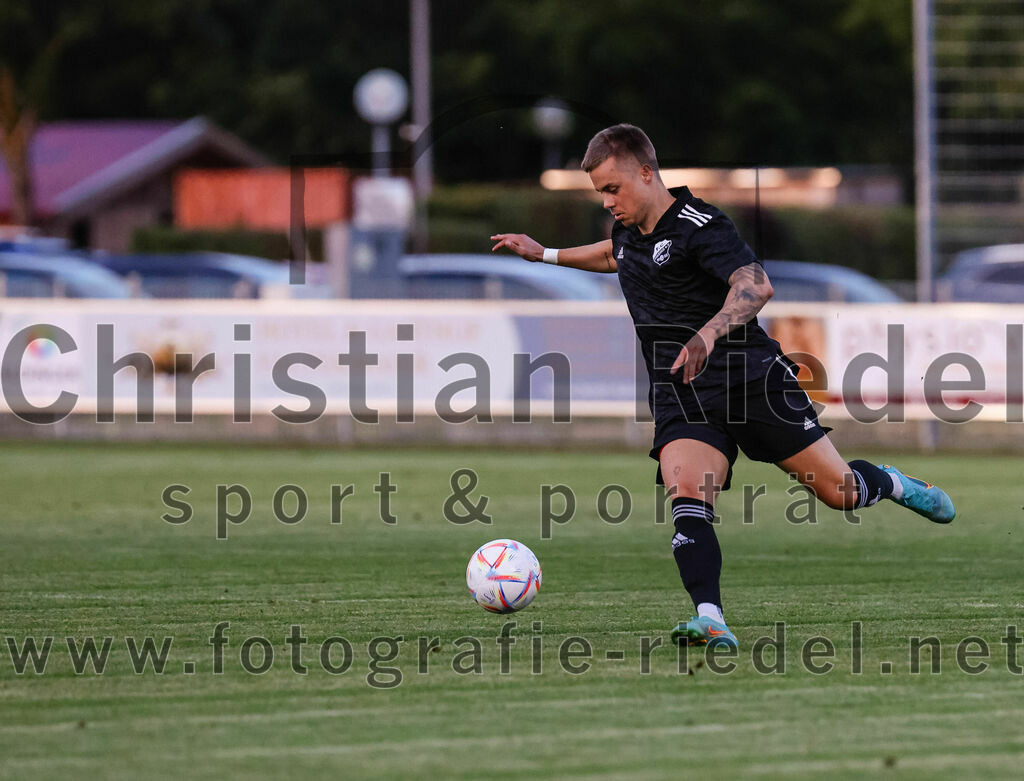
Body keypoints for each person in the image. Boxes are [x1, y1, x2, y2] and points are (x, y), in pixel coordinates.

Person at [491, 123, 955, 649]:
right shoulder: (629, 231)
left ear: (647, 173)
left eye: (613, 188)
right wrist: (543, 254)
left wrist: (706, 336)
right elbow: (612, 256)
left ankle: (893, 483)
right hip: (683, 394)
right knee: (687, 491)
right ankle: (710, 617)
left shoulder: (699, 225)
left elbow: (756, 285)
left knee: (840, 492)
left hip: (750, 381)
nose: (607, 201)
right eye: (600, 191)